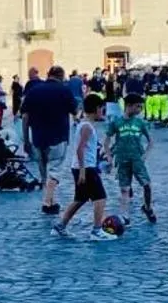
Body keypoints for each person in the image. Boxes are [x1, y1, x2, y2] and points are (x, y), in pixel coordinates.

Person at [20, 65, 77, 217]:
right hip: (58, 136)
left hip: (38, 137)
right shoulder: (64, 91)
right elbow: (75, 111)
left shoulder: (33, 91)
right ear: (62, 76)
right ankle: (46, 202)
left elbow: (25, 117)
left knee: (45, 172)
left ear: (48, 74)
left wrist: (26, 140)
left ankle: (52, 202)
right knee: (55, 170)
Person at [54, 94, 111, 240]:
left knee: (80, 198)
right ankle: (97, 230)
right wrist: (83, 172)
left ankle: (60, 227)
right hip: (85, 167)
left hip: (82, 166)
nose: (102, 112)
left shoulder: (85, 124)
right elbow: (80, 149)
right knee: (100, 197)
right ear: (97, 109)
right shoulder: (87, 126)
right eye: (101, 109)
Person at [107, 93, 156, 224]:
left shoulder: (140, 123)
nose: (140, 110)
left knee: (147, 185)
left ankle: (147, 207)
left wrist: (145, 154)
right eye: (138, 106)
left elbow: (151, 141)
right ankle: (124, 215)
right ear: (128, 106)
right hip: (122, 159)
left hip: (137, 159)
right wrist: (109, 156)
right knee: (125, 189)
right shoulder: (116, 122)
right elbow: (107, 140)